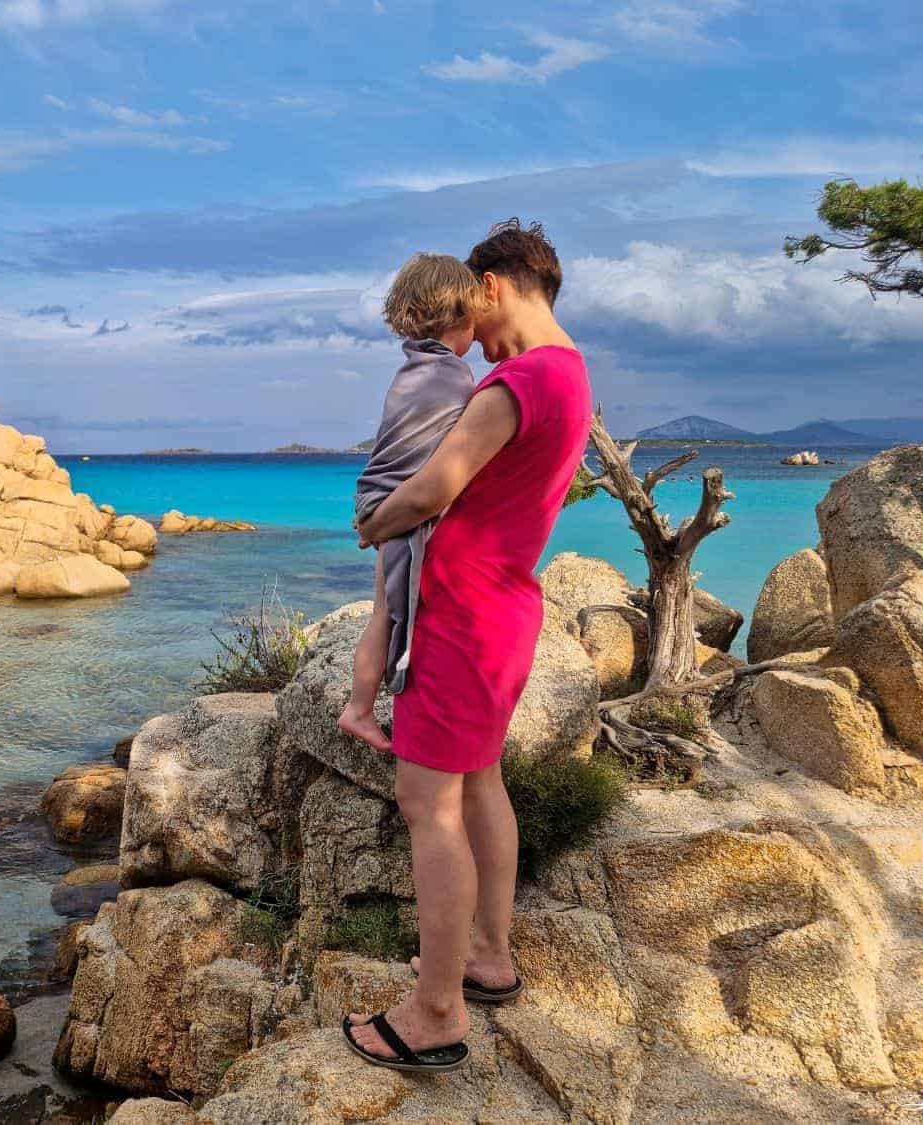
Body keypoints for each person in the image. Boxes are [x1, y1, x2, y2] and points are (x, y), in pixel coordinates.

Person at [342, 219, 592, 1073]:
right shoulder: (572, 374)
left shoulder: (516, 381)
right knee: (479, 783)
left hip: (460, 616)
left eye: (468, 304)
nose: (464, 328)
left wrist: (371, 521)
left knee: (428, 805)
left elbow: (433, 487)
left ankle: (436, 1011)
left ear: (492, 286)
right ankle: (487, 955)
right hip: (504, 608)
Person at [337, 253, 484, 753]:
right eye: (474, 324)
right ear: (460, 316)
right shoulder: (453, 376)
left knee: (381, 610)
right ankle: (359, 709)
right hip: (395, 505)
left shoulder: (414, 369)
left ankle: (359, 706)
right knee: (395, 613)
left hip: (378, 496)